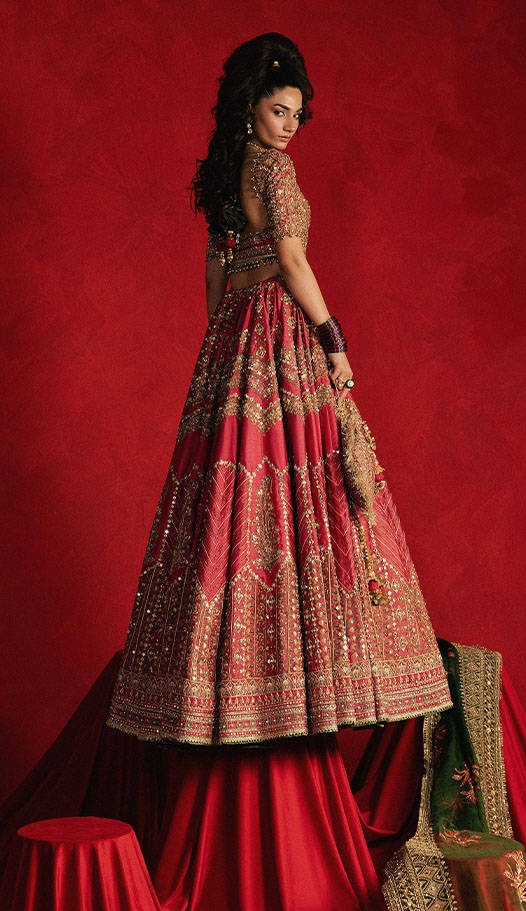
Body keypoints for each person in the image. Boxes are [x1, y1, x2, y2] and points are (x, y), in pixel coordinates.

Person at [105, 32, 452, 746]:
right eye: (279, 110)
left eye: (298, 114)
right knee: (301, 487)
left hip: (234, 331)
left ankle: (218, 678)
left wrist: (223, 345)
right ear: (250, 106)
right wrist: (333, 337)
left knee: (233, 488)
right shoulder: (274, 171)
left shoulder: (223, 172)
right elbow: (292, 259)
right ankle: (299, 676)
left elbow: (215, 272)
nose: (290, 125)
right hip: (280, 330)